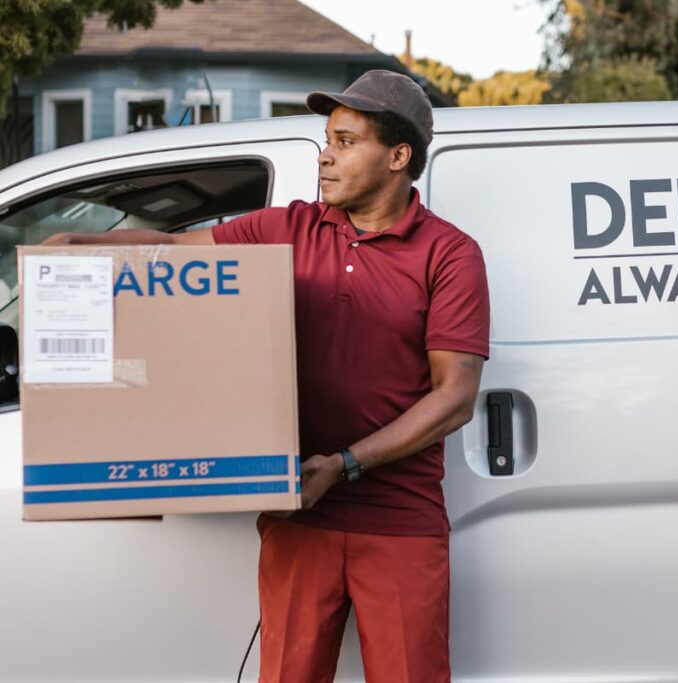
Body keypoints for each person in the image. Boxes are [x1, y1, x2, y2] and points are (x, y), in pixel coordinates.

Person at [43, 69, 490, 683]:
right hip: (297, 516)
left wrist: (345, 463)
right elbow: (177, 254)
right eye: (325, 140)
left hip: (399, 522)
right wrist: (84, 246)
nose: (325, 156)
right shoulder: (286, 227)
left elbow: (456, 397)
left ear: (398, 156)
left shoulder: (449, 253)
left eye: (344, 141)